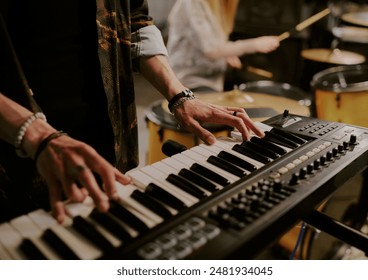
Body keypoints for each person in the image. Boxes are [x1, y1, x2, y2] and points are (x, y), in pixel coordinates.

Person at [0, 0, 264, 224]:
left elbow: (135, 22)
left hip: (106, 131)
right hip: (14, 146)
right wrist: (36, 134)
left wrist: (180, 95)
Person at [166, 0, 280, 93]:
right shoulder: (192, 3)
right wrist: (255, 44)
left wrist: (226, 55)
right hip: (189, 82)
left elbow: (209, 41)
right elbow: (211, 49)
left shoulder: (217, 5)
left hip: (212, 80)